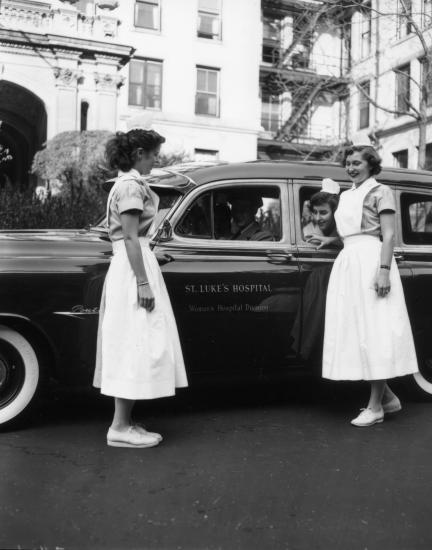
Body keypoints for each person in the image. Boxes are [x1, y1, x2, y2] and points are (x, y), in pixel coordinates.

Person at [93, 127, 188, 448]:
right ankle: (119, 426)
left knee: (134, 340)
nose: (155, 161)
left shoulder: (124, 184)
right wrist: (144, 280)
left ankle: (124, 422)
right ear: (138, 154)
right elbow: (131, 237)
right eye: (153, 155)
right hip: (133, 269)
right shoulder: (132, 186)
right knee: (136, 339)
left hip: (130, 265)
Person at [316, 145, 418, 427]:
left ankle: (375, 408)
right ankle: (388, 398)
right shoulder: (346, 195)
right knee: (355, 331)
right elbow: (352, 233)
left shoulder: (381, 191)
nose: (351, 167)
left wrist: (383, 271)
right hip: (348, 262)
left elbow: (387, 236)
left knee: (374, 331)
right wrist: (332, 241)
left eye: (357, 162)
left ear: (371, 164)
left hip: (372, 262)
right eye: (348, 162)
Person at [291, 181, 341, 364]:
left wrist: (331, 240)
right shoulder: (309, 229)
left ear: (335, 213)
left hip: (335, 283)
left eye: (324, 212)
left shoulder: (344, 231)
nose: (318, 217)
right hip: (317, 283)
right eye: (315, 212)